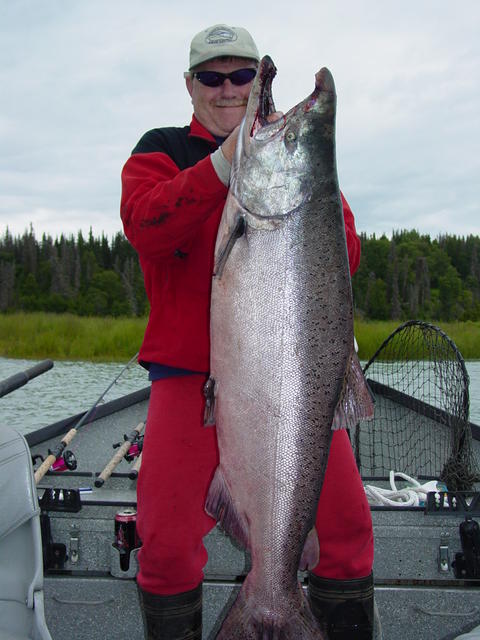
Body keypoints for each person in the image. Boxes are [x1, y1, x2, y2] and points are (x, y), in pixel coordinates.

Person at [121, 23, 374, 640]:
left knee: (347, 532)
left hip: (293, 383)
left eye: (242, 76)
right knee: (167, 549)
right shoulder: (161, 150)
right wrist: (222, 164)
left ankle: (291, 605)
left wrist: (288, 177)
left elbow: (347, 253)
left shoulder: (296, 160)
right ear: (190, 85)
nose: (230, 88)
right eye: (213, 77)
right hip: (187, 378)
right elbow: (146, 225)